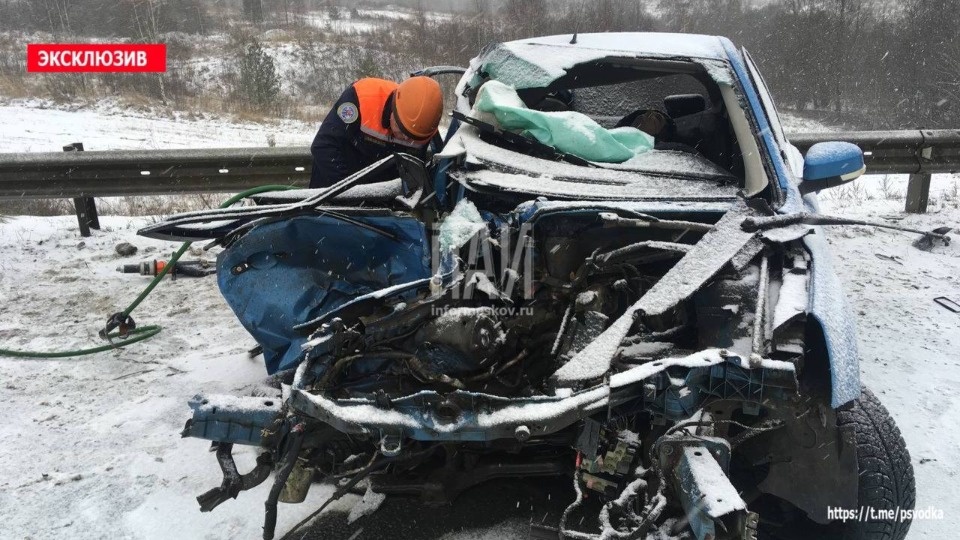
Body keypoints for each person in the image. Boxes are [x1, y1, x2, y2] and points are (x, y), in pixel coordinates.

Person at [309, 76, 443, 188]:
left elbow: (415, 170)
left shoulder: (425, 125)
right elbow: (323, 146)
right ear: (393, 109)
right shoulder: (361, 98)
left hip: (383, 194)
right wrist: (349, 192)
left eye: (411, 138)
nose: (404, 139)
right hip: (336, 181)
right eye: (401, 130)